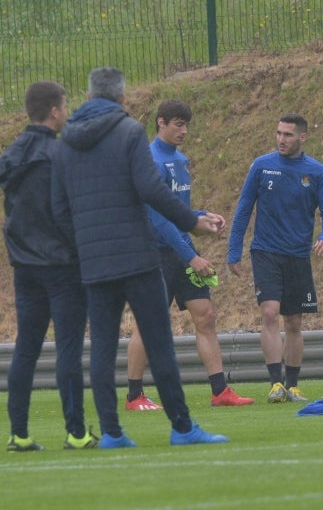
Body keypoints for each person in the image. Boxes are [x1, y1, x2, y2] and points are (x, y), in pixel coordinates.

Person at [51, 67, 229, 448]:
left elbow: (59, 206)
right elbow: (151, 190)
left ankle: (112, 433)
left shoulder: (66, 139)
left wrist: (81, 247)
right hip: (136, 255)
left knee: (101, 347)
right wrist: (192, 222)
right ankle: (182, 428)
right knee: (158, 341)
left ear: (87, 96)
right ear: (121, 98)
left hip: (95, 262)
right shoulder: (129, 131)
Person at [124, 100, 254, 410]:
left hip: (181, 249)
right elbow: (158, 218)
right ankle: (134, 396)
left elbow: (175, 210)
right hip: (155, 253)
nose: (184, 130)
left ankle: (220, 391)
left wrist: (200, 217)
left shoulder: (180, 160)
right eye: (178, 124)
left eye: (186, 125)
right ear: (160, 122)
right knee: (149, 323)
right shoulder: (152, 160)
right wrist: (192, 256)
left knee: (205, 317)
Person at [1, 81, 97, 451]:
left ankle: (19, 434)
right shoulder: (59, 155)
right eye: (65, 105)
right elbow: (65, 212)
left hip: (24, 266)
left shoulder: (11, 154)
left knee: (26, 348)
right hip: (61, 264)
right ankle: (76, 432)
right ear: (55, 111)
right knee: (68, 349)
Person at [227, 114, 323, 404]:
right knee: (269, 313)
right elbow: (243, 209)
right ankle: (275, 383)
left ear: (302, 138)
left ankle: (293, 385)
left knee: (294, 322)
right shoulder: (262, 166)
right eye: (278, 133)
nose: (281, 139)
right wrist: (233, 251)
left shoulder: (315, 171)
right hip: (265, 252)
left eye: (288, 135)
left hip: (298, 255)